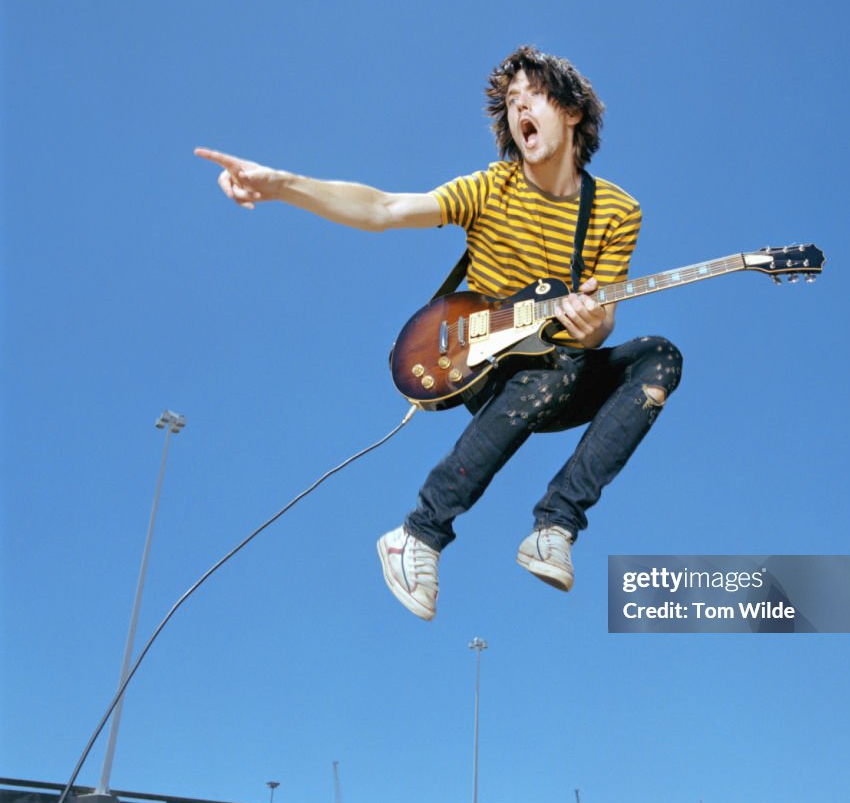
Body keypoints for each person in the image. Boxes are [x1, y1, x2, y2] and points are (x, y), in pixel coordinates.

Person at [195, 45, 682, 622]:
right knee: (546, 372)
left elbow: (601, 323)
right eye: (510, 104)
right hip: (473, 359)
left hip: (554, 367)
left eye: (534, 97)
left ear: (571, 110)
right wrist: (282, 185)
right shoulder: (488, 189)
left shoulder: (615, 211)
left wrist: (592, 321)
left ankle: (555, 526)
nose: (519, 109)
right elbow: (382, 208)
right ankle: (418, 535)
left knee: (658, 356)